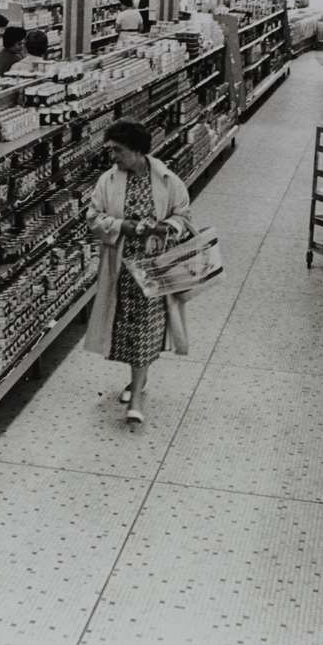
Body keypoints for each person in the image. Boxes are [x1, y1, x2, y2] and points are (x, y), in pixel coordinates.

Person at [84, 119, 194, 427]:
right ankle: (137, 380)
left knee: (147, 327)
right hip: (121, 268)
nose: (113, 157)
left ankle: (135, 399)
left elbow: (183, 214)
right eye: (111, 151)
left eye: (118, 150)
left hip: (155, 269)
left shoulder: (167, 179)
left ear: (137, 150)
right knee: (126, 330)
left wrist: (165, 227)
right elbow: (93, 216)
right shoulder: (108, 181)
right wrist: (122, 226)